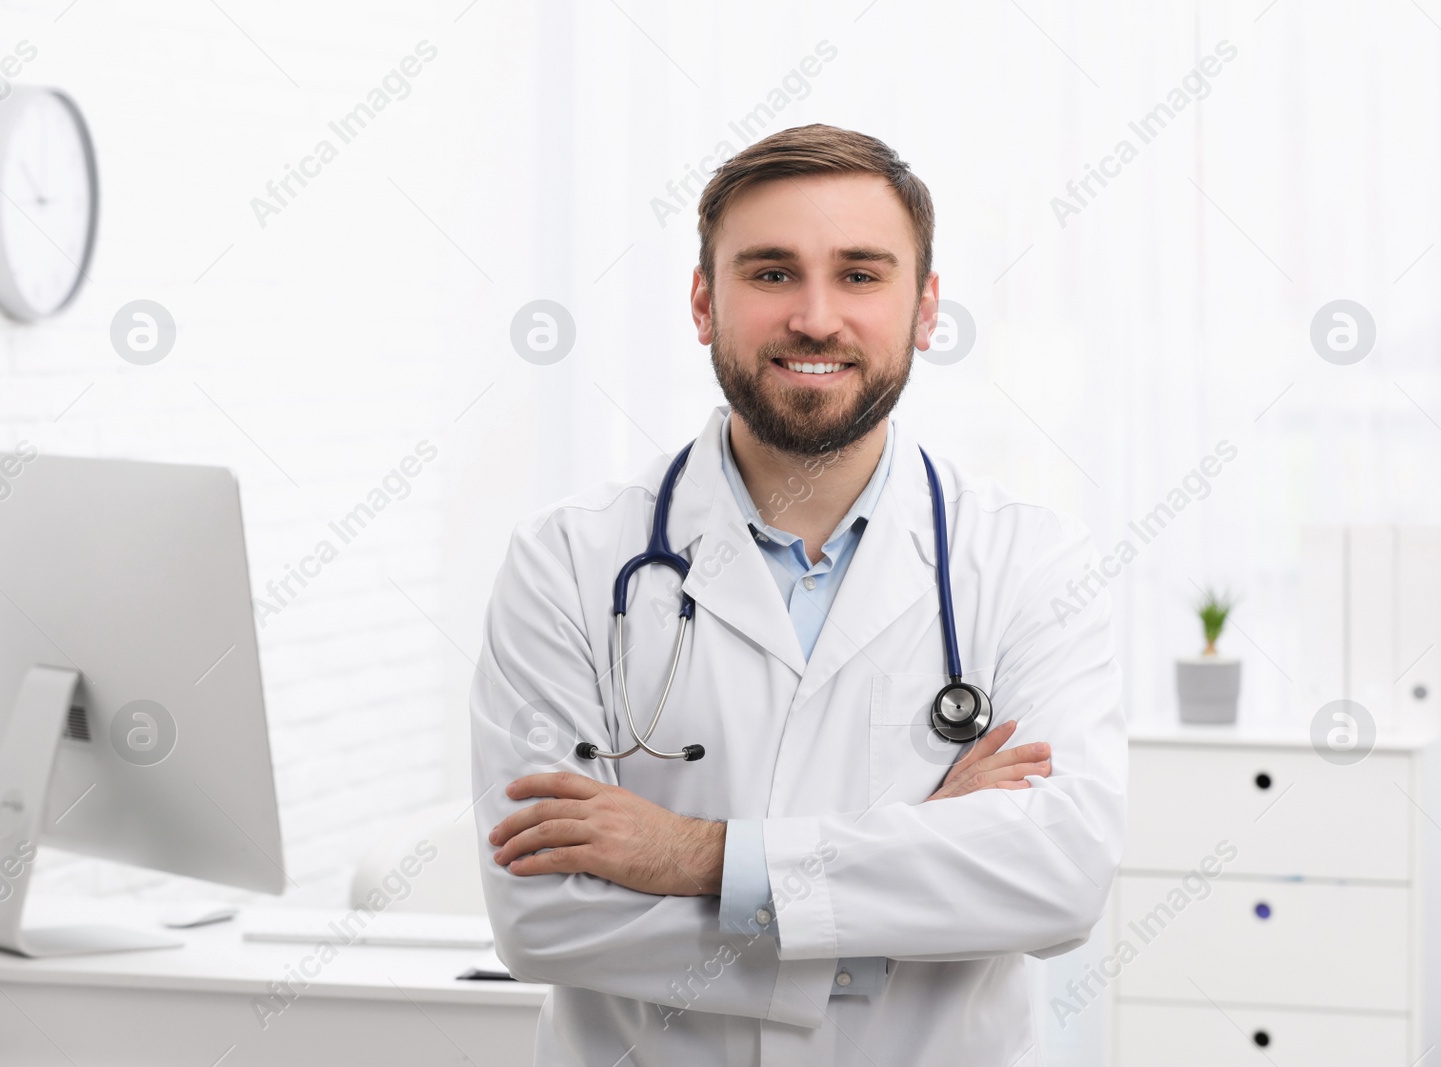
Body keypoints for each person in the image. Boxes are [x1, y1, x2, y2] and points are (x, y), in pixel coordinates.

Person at [470, 123, 1126, 1066]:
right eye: (771, 273)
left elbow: (1058, 878)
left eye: (861, 275)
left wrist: (694, 855)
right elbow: (542, 919)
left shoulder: (1031, 563)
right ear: (704, 302)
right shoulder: (566, 562)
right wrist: (912, 881)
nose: (817, 317)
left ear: (926, 309)